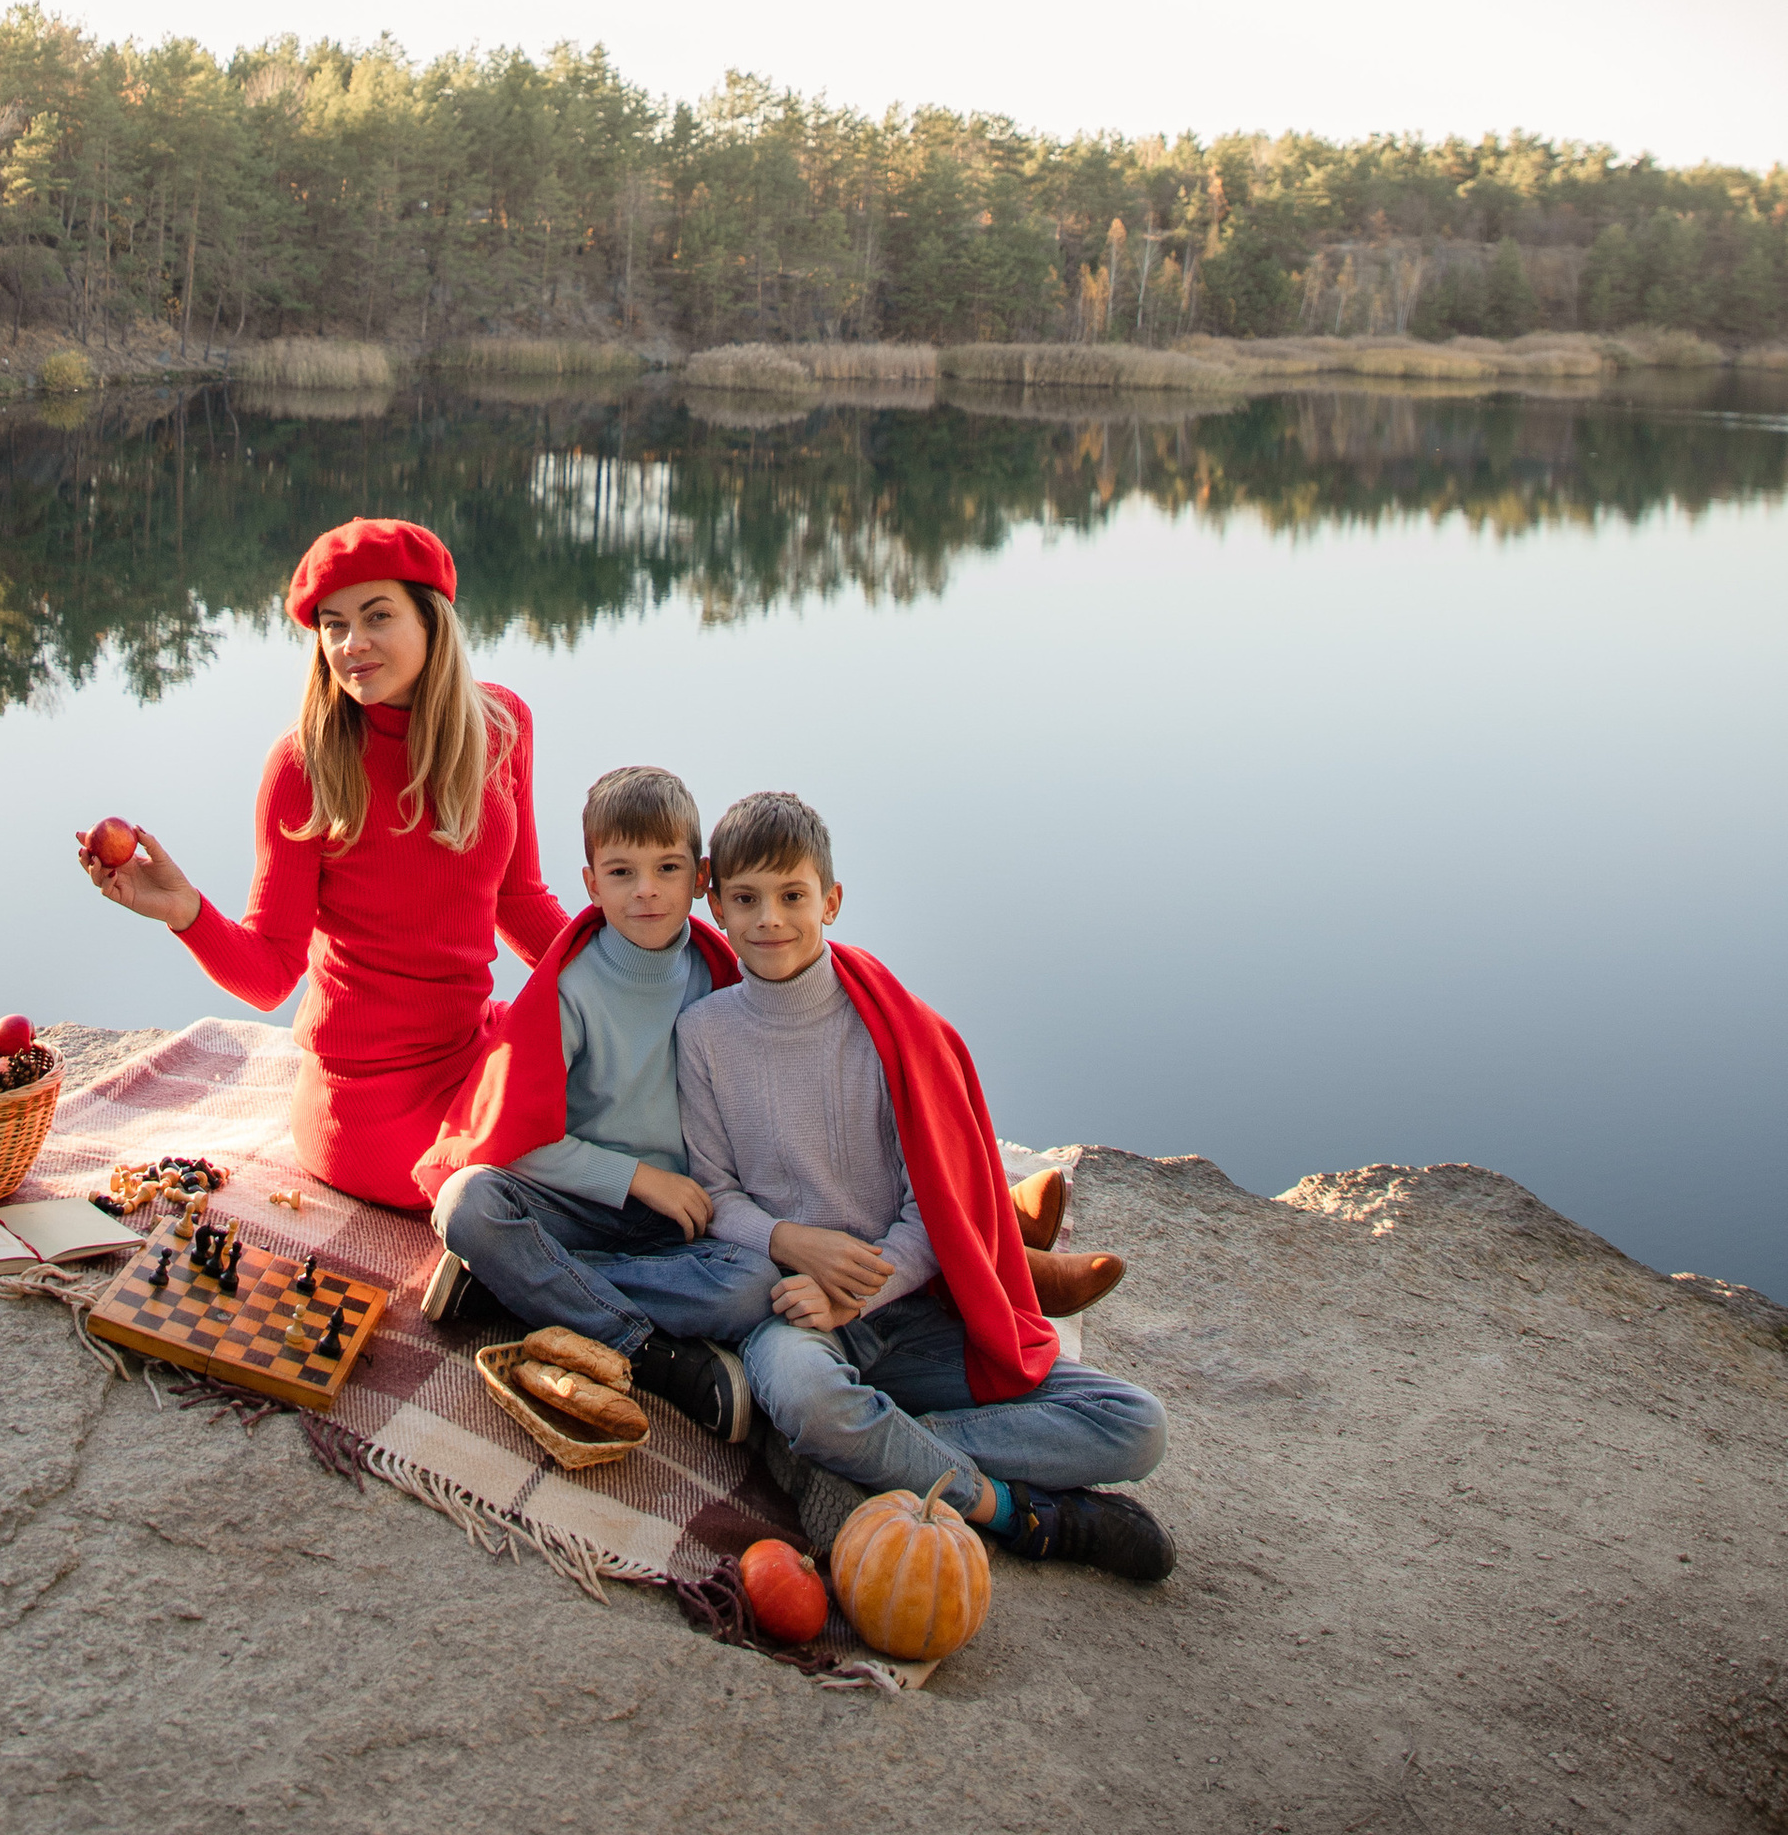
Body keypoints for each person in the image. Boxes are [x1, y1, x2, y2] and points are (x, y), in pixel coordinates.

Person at [677, 788, 1176, 1582]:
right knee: (808, 1397)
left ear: (831, 901)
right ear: (716, 903)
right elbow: (715, 1195)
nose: (769, 918)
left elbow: (931, 1207)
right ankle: (1021, 1514)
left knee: (1135, 1424)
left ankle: (878, 1446)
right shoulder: (704, 1035)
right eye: (745, 899)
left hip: (907, 1311)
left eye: (792, 896)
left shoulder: (889, 1029)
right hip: (794, 1312)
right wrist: (792, 1244)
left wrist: (862, 1293)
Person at [78, 516, 567, 1207]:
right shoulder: (304, 765)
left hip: (472, 1043)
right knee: (541, 1183)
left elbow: (519, 902)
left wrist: (640, 967)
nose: (352, 643)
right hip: (368, 1100)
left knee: (625, 1103)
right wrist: (183, 910)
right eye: (333, 626)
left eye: (376, 616)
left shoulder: (501, 726)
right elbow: (272, 973)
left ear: (432, 620)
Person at [413, 764, 777, 1439]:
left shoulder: (719, 973)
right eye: (620, 873)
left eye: (668, 869)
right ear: (590, 883)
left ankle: (508, 1286)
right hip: (580, 1204)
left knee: (753, 1286)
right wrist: (639, 1178)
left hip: (675, 1224)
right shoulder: (573, 988)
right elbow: (520, 1139)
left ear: (701, 879)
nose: (646, 892)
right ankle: (652, 1354)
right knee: (469, 1204)